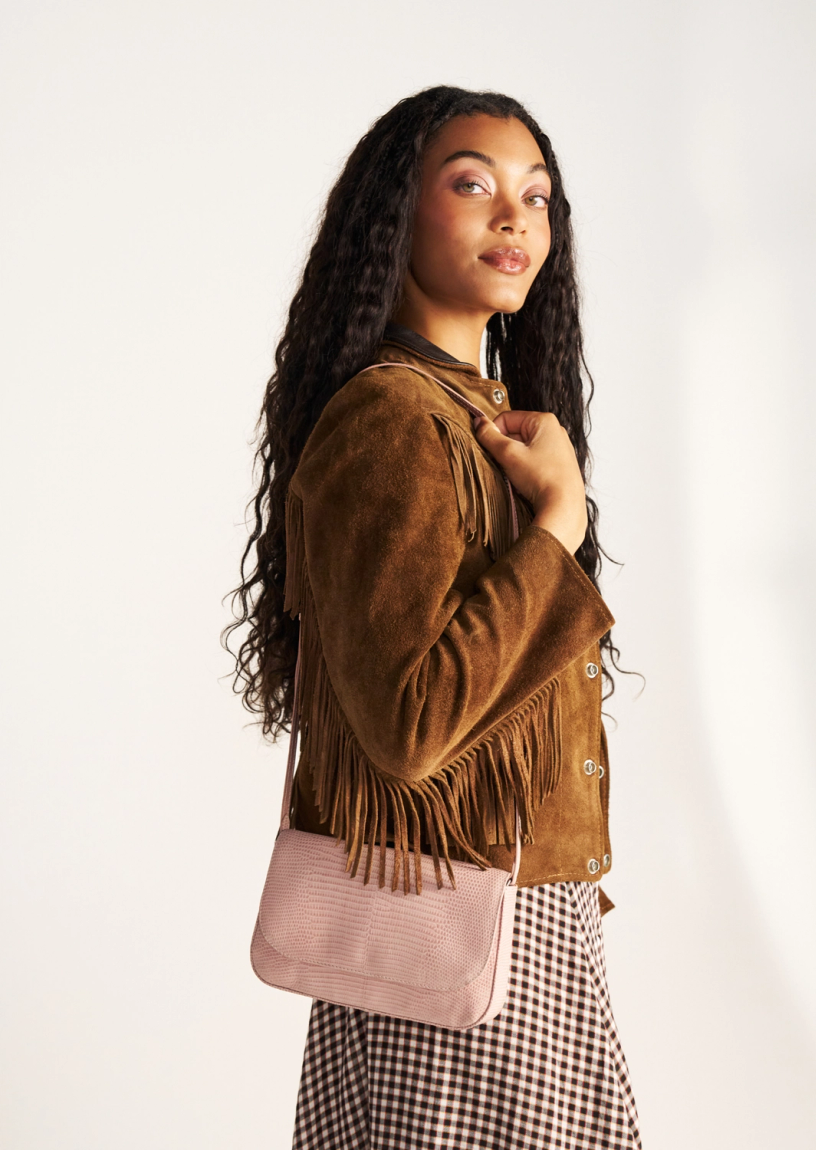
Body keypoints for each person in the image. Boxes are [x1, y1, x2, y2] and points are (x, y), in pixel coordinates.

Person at [225, 84, 642, 1150]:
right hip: (449, 937)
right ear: (395, 215)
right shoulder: (392, 420)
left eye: (537, 196)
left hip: (523, 922)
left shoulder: (480, 418)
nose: (516, 217)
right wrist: (554, 525)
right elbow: (411, 723)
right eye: (472, 184)